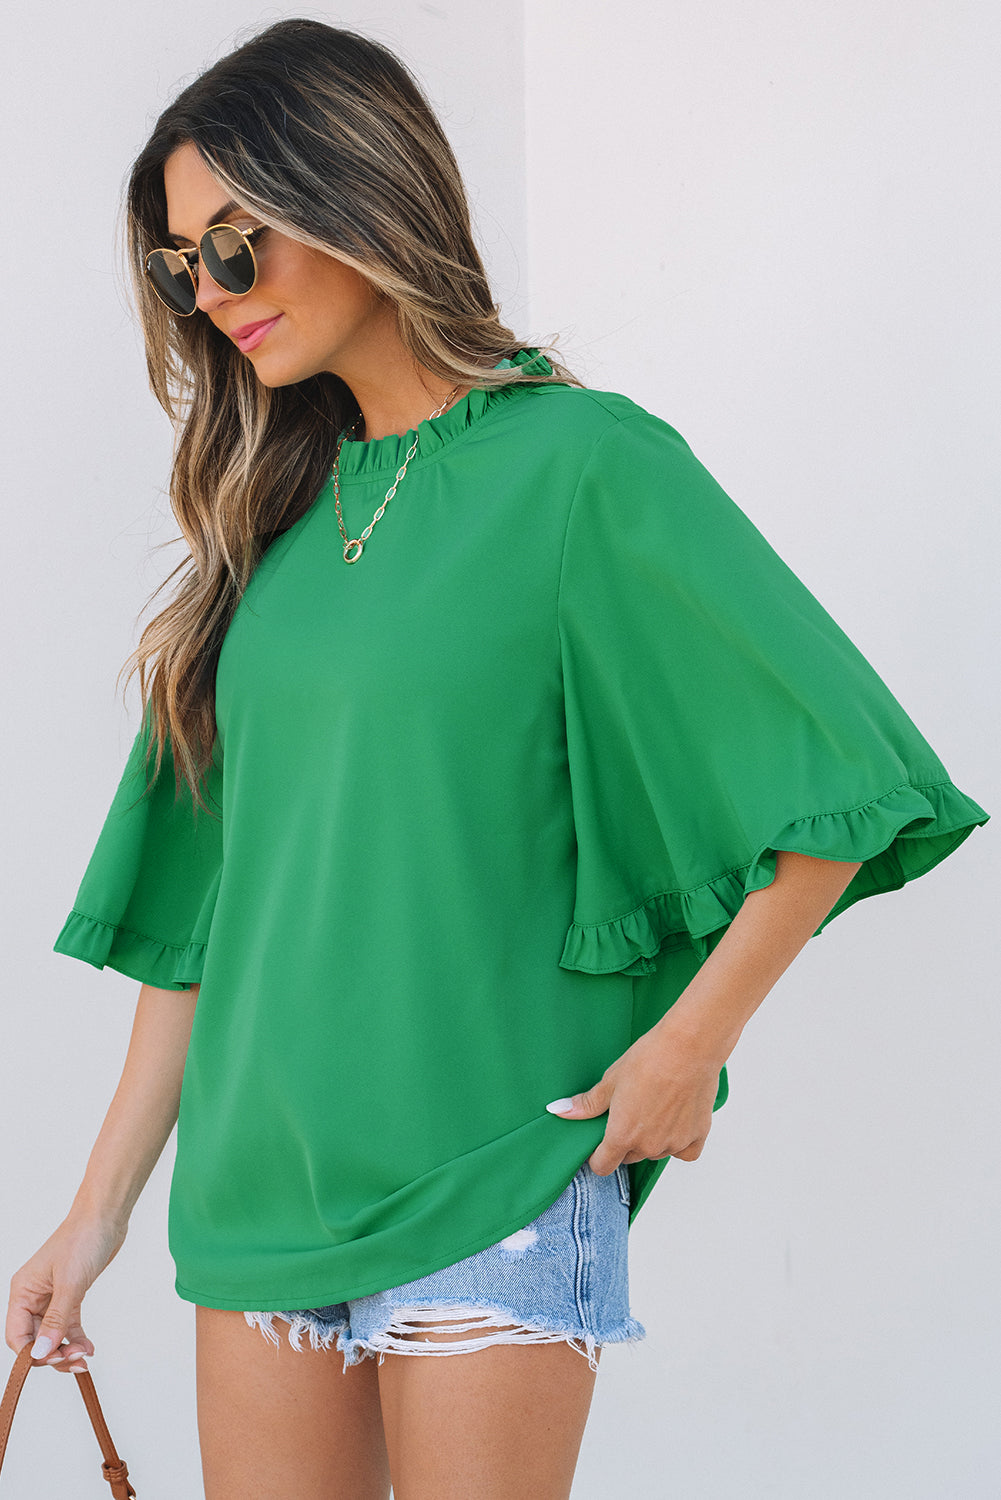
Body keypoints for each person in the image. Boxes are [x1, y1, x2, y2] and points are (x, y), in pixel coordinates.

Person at [4, 17, 990, 1500]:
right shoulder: (270, 536)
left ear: (355, 191)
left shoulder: (581, 464)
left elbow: (844, 786)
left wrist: (688, 1050)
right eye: (179, 266)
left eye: (237, 244)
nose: (211, 295)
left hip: (494, 1176)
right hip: (257, 1197)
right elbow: (204, 931)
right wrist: (92, 1221)